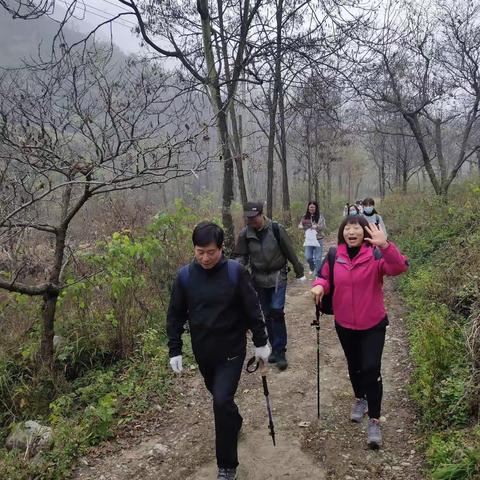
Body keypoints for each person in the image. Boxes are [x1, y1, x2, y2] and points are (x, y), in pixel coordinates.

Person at [167, 222, 270, 480]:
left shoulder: (235, 273)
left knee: (221, 401)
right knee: (222, 401)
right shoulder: (185, 277)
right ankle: (234, 421)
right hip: (204, 353)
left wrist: (261, 342)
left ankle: (227, 466)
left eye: (210, 252)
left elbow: (252, 309)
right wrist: (175, 349)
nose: (205, 257)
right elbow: (175, 315)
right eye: (200, 251)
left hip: (232, 351)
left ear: (221, 248)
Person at [310, 215, 408, 448]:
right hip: (344, 323)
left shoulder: (375, 255)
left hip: (373, 324)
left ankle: (374, 418)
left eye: (356, 228)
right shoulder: (335, 255)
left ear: (364, 232)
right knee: (354, 365)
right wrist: (319, 286)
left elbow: (398, 267)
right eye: (347, 228)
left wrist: (385, 245)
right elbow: (324, 277)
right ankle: (360, 399)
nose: (351, 232)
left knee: (371, 368)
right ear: (342, 232)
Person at [234, 201, 305, 371]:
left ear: (261, 214)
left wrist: (299, 270)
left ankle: (280, 351)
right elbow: (241, 257)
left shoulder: (275, 229)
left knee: (276, 311)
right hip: (258, 278)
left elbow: (289, 251)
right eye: (248, 218)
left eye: (254, 217)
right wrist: (235, 273)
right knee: (266, 314)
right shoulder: (245, 234)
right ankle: (274, 347)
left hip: (277, 276)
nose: (252, 221)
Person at [298, 201, 326, 276]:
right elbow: (300, 225)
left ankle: (318, 274)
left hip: (318, 239)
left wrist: (317, 226)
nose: (312, 208)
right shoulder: (305, 216)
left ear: (316, 208)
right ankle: (313, 268)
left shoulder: (320, 216)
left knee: (317, 258)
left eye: (313, 207)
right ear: (308, 208)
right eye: (310, 207)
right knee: (308, 257)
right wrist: (303, 227)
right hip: (308, 240)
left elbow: (323, 226)